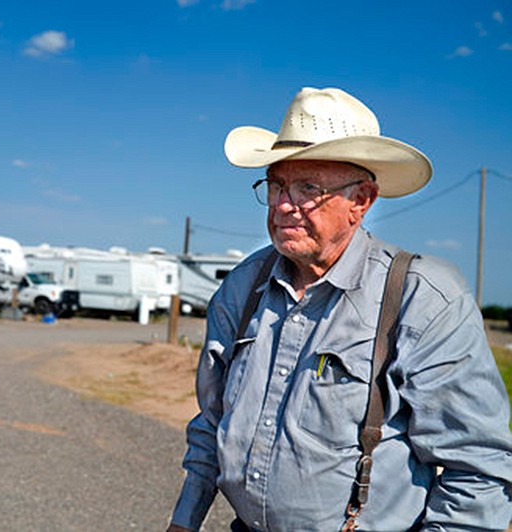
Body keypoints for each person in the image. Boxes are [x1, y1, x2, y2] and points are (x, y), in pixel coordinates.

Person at [166, 87, 512, 531]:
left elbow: (477, 470)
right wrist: (184, 520)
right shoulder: (244, 285)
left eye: (307, 188)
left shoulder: (420, 297)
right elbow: (212, 422)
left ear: (362, 200)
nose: (283, 205)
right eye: (275, 185)